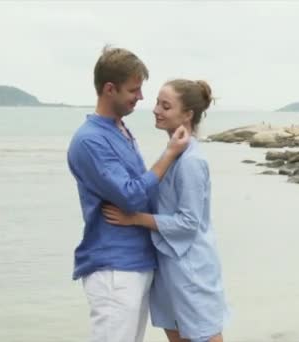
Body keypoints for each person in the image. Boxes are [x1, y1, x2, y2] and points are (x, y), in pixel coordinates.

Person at [67, 46, 189, 342]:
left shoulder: (120, 129)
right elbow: (132, 196)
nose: (141, 97)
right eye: (134, 90)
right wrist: (170, 154)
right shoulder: (90, 140)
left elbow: (141, 194)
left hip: (136, 263)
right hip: (113, 269)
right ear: (110, 89)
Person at [102, 79, 229, 342]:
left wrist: (134, 218)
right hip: (168, 265)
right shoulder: (174, 153)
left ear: (187, 115)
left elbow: (188, 223)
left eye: (166, 106)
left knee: (204, 335)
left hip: (191, 269)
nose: (156, 109)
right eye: (158, 103)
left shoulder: (191, 161)